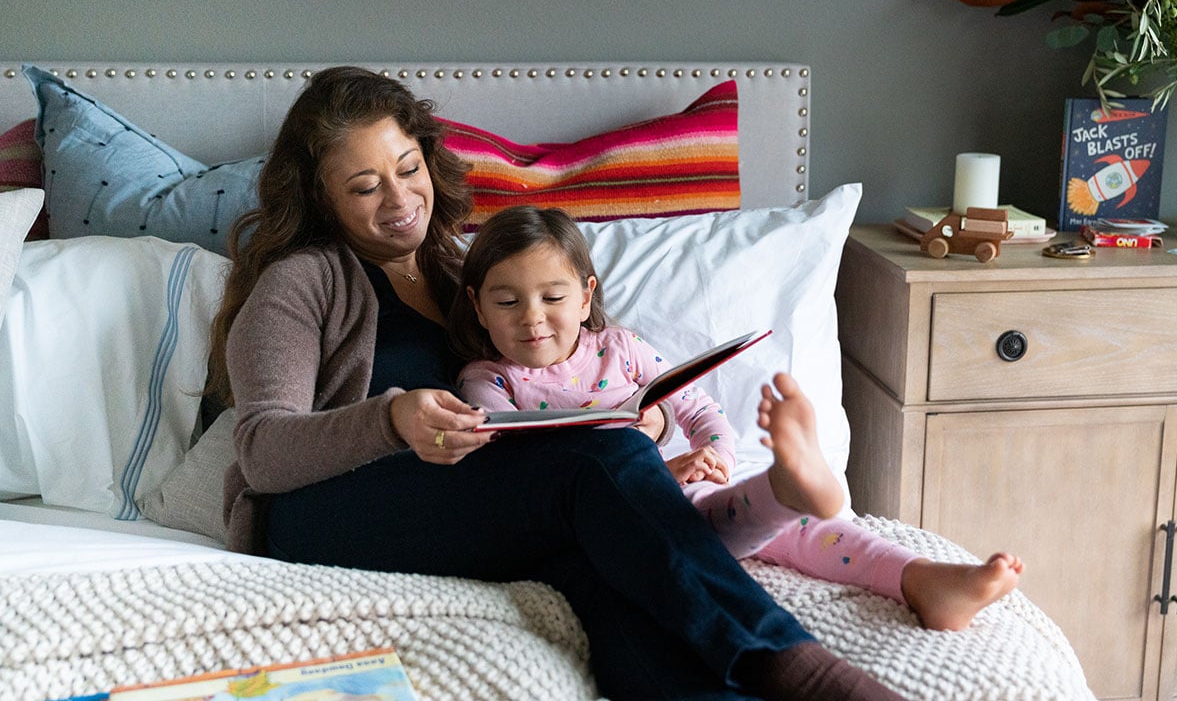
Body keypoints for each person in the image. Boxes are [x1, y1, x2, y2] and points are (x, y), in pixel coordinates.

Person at [206, 66, 905, 701]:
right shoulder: (300, 282)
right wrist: (391, 420)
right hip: (325, 514)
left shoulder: (464, 275)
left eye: (408, 168)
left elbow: (572, 374)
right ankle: (804, 672)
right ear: (320, 198)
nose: (398, 199)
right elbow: (263, 451)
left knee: (605, 564)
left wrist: (652, 420)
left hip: (468, 501)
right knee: (595, 470)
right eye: (364, 187)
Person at [449, 205, 1024, 633]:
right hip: (609, 517)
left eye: (552, 298)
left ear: (584, 295)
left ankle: (922, 578)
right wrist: (662, 472)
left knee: (807, 531)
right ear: (477, 305)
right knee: (707, 521)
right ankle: (782, 489)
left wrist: (716, 455)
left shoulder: (620, 349)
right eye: (507, 302)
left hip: (683, 490)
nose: (532, 319)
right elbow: (522, 475)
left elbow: (700, 408)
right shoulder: (488, 382)